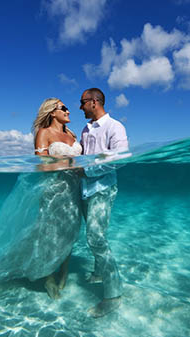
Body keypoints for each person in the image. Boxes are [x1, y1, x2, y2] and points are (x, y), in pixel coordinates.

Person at [0, 98, 82, 300]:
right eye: (63, 108)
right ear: (52, 112)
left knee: (70, 231)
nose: (69, 111)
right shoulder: (43, 133)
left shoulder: (72, 134)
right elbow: (42, 166)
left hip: (74, 190)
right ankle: (47, 276)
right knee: (49, 231)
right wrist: (69, 163)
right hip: (54, 190)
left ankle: (63, 271)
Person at [79, 88, 128, 317]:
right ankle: (99, 272)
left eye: (83, 103)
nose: (80, 107)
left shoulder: (114, 126)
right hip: (86, 191)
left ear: (94, 102)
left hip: (103, 189)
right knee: (95, 237)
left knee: (96, 237)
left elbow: (120, 159)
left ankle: (113, 295)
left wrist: (87, 172)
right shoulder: (85, 129)